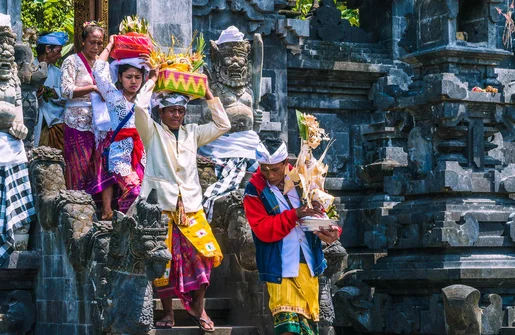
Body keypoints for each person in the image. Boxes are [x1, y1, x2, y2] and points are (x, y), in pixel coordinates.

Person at [133, 72, 231, 331]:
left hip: (190, 207)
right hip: (160, 207)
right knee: (163, 263)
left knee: (205, 253)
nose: (176, 115)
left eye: (180, 110)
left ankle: (199, 307)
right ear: (161, 113)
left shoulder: (193, 133)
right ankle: (168, 314)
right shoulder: (152, 132)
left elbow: (223, 125)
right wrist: (152, 81)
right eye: (171, 110)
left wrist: (208, 93)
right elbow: (140, 109)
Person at [242, 138, 341, 335]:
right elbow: (262, 229)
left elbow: (326, 212)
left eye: (275, 170)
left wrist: (332, 233)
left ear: (285, 163)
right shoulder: (254, 189)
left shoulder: (305, 178)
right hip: (279, 266)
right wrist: (294, 214)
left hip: (308, 262)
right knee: (288, 326)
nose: (270, 175)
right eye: (264, 169)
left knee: (306, 328)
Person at [0, 12, 36, 272]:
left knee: (14, 182)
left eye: (7, 47)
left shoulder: (13, 78)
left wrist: (19, 125)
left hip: (9, 142)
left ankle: (14, 238)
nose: (4, 52)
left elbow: (18, 110)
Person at [61, 21, 114, 219]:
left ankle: (102, 209)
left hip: (100, 122)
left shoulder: (104, 66)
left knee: (100, 164)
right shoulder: (72, 61)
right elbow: (66, 90)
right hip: (77, 121)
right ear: (83, 42)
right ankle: (76, 209)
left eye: (100, 44)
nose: (96, 47)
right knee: (78, 165)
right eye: (92, 42)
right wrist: (92, 88)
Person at [92, 35, 151, 213]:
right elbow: (98, 71)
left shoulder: (145, 98)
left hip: (142, 157)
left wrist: (153, 65)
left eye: (138, 77)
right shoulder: (113, 96)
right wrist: (110, 45)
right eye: (129, 77)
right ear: (119, 77)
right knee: (134, 190)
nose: (133, 81)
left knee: (147, 195)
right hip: (119, 156)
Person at [33, 31, 69, 150]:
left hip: (55, 126)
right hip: (34, 123)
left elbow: (66, 98)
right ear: (48, 49)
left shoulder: (58, 73)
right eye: (58, 51)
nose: (60, 55)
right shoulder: (28, 68)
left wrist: (55, 94)